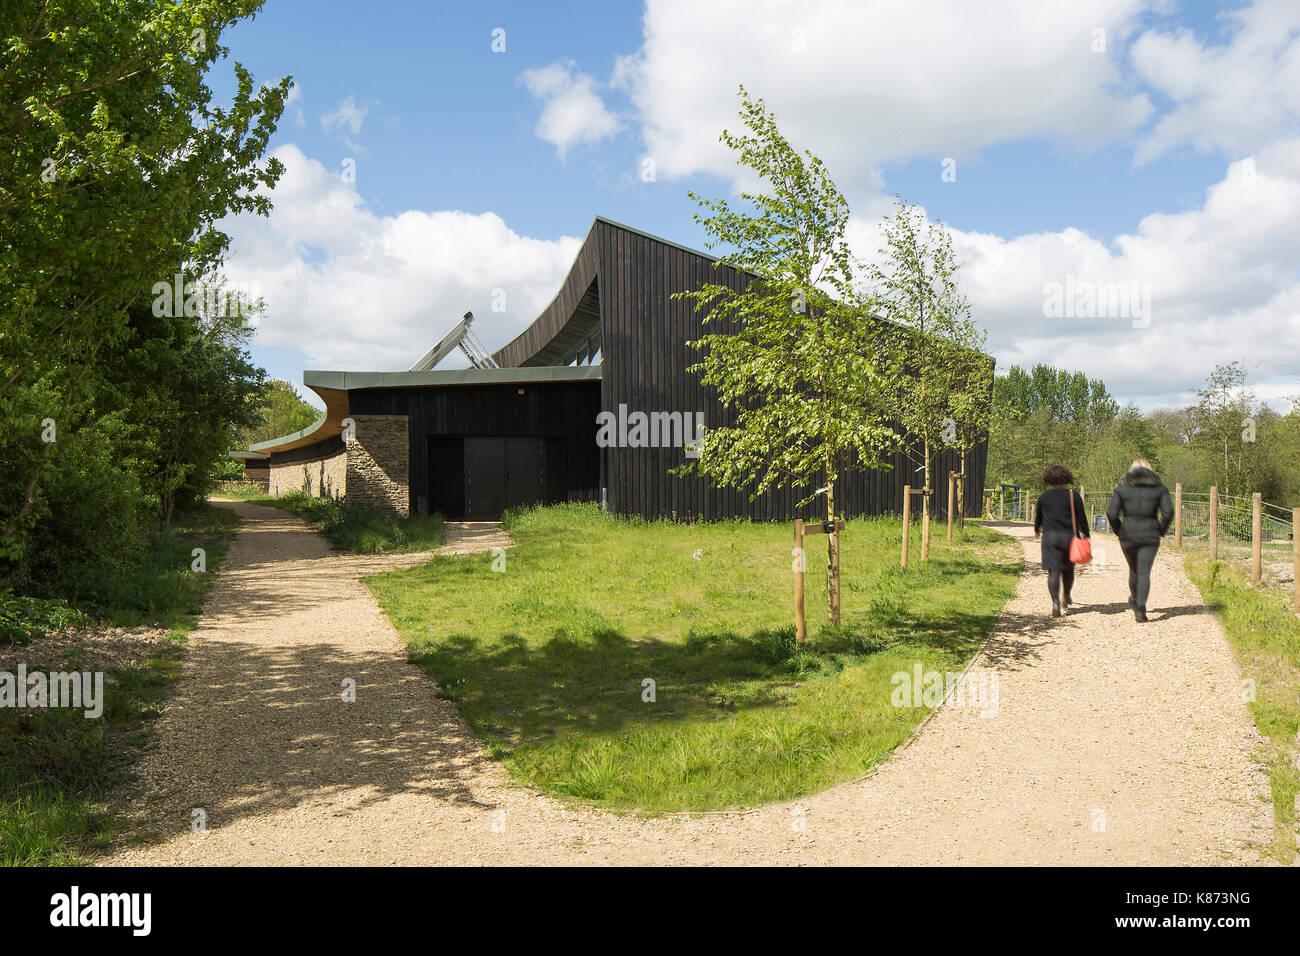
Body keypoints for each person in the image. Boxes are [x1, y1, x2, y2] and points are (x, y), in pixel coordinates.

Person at [1106, 459, 1174, 623]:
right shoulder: (1159, 488)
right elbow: (1168, 512)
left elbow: (1111, 514)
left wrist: (1118, 531)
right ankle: (1141, 610)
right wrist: (1161, 530)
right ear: (1149, 471)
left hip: (1127, 534)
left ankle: (1135, 600)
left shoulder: (1121, 488)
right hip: (1150, 533)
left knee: (1133, 568)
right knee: (1144, 572)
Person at [1033, 465, 1089, 617]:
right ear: (1066, 477)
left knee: (1053, 571)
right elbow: (1081, 518)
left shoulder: (1044, 497)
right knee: (1068, 569)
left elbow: (1039, 517)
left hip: (1050, 538)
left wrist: (1037, 529)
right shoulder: (1073, 495)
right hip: (1069, 538)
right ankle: (1066, 596)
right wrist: (1086, 535)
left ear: (1049, 479)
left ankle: (1055, 603)